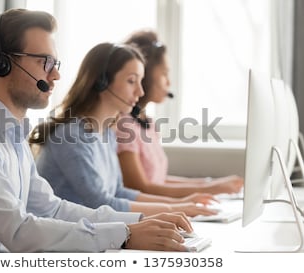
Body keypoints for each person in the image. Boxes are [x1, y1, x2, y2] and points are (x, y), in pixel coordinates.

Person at [0, 9, 194, 253]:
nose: (56, 75)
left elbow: (52, 208)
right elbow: (19, 232)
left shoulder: (8, 134)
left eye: (55, 63)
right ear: (2, 64)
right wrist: (125, 235)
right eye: (44, 62)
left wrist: (140, 223)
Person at [30, 42, 217, 218]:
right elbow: (99, 202)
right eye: (131, 81)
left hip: (93, 233)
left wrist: (181, 204)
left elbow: (118, 191)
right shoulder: (70, 136)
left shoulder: (107, 133)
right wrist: (174, 209)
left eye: (141, 81)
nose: (140, 92)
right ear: (101, 82)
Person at [115, 30, 243, 199]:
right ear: (144, 76)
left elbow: (158, 181)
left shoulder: (147, 123)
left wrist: (210, 184)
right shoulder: (124, 126)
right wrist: (211, 189)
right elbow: (141, 188)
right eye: (164, 74)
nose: (169, 82)